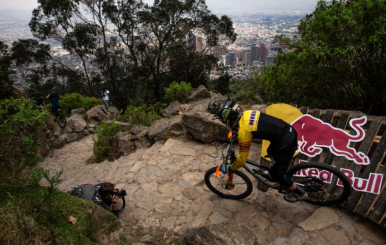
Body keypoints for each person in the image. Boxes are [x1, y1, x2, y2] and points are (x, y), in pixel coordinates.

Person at [212, 101, 308, 203]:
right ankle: (273, 170)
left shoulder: (244, 132)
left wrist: (230, 168)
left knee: (278, 175)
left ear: (230, 119)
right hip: (287, 131)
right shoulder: (247, 113)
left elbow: (241, 161)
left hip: (285, 142)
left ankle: (300, 193)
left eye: (225, 121)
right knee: (270, 151)